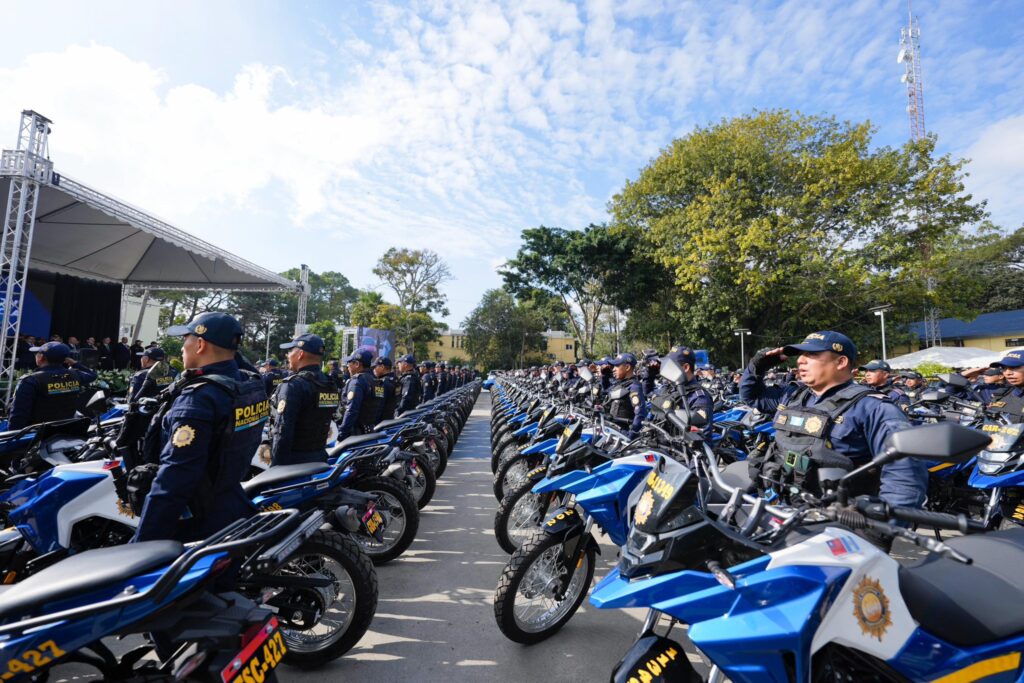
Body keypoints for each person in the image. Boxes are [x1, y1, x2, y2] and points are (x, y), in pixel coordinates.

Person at [739, 331, 925, 510]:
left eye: (812, 354)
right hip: (781, 509)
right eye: (801, 354)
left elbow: (905, 477)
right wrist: (757, 366)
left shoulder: (873, 408)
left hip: (836, 523)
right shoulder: (792, 395)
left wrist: (878, 529)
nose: (801, 360)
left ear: (841, 362)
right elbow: (751, 396)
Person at [131, 312, 267, 542]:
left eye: (186, 339)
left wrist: (143, 542)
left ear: (201, 344)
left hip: (197, 523)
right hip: (232, 504)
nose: (183, 347)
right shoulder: (249, 384)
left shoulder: (200, 396)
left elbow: (176, 476)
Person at [263, 333, 339, 466]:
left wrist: (276, 467)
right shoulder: (329, 383)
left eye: (290, 351)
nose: (288, 356)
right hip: (319, 457)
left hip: (293, 462)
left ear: (300, 354)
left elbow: (283, 431)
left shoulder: (293, 385)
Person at [7, 342, 98, 430]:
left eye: (37, 353)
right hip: (64, 429)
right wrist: (74, 363)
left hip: (35, 433)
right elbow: (92, 375)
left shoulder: (30, 380)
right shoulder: (75, 375)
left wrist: (13, 439)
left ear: (41, 357)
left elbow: (18, 415)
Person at [662, 346, 715, 435]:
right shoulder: (671, 389)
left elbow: (700, 438)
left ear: (686, 367)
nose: (668, 370)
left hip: (677, 448)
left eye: (671, 366)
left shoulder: (699, 398)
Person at [961, 352, 1024, 421]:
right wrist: (963, 375)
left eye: (1014, 367)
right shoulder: (1000, 395)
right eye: (1004, 368)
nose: (1007, 373)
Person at [338, 349, 379, 439]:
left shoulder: (357, 381)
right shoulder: (376, 380)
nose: (347, 366)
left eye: (349, 363)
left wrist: (342, 433)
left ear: (357, 364)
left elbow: (351, 410)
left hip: (355, 432)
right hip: (370, 430)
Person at [605, 352, 648, 438]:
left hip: (622, 434)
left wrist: (630, 436)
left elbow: (640, 414)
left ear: (627, 367)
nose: (613, 369)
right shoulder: (619, 385)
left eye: (617, 366)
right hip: (611, 430)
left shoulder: (634, 387)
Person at [371, 356, 398, 423]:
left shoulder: (382, 383)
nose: (374, 370)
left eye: (375, 367)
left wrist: (373, 422)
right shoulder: (395, 379)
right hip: (391, 418)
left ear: (382, 367)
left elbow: (378, 406)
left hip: (382, 422)